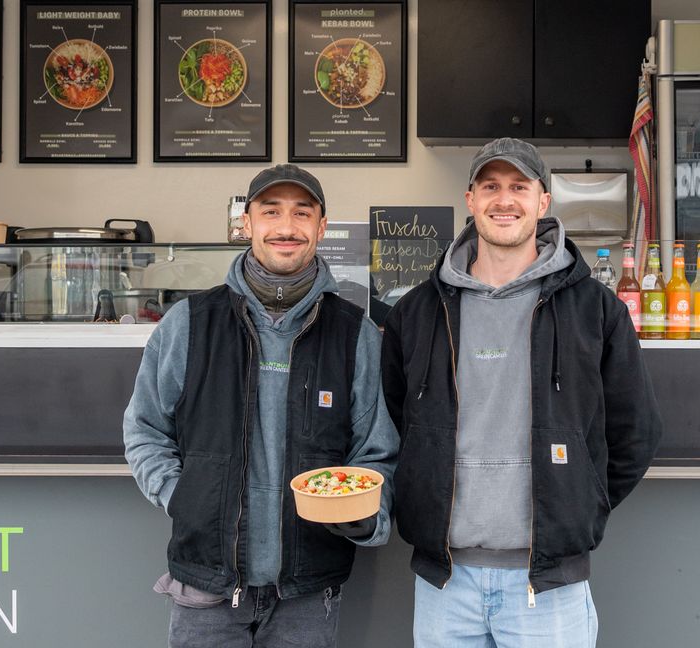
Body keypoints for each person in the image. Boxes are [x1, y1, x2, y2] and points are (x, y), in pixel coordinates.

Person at [381, 138, 662, 647]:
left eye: (519, 187)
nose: (504, 200)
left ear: (543, 201)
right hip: (445, 583)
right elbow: (397, 419)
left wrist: (580, 500)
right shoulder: (418, 312)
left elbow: (635, 432)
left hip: (548, 585)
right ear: (470, 199)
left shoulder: (595, 310)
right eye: (490, 186)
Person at [124, 164, 398, 648]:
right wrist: (181, 496)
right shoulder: (188, 323)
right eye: (271, 212)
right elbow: (145, 429)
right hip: (205, 587)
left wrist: (364, 515)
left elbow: (377, 452)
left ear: (321, 227)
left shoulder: (356, 334)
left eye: (302, 213)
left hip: (308, 592)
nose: (286, 227)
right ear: (246, 223)